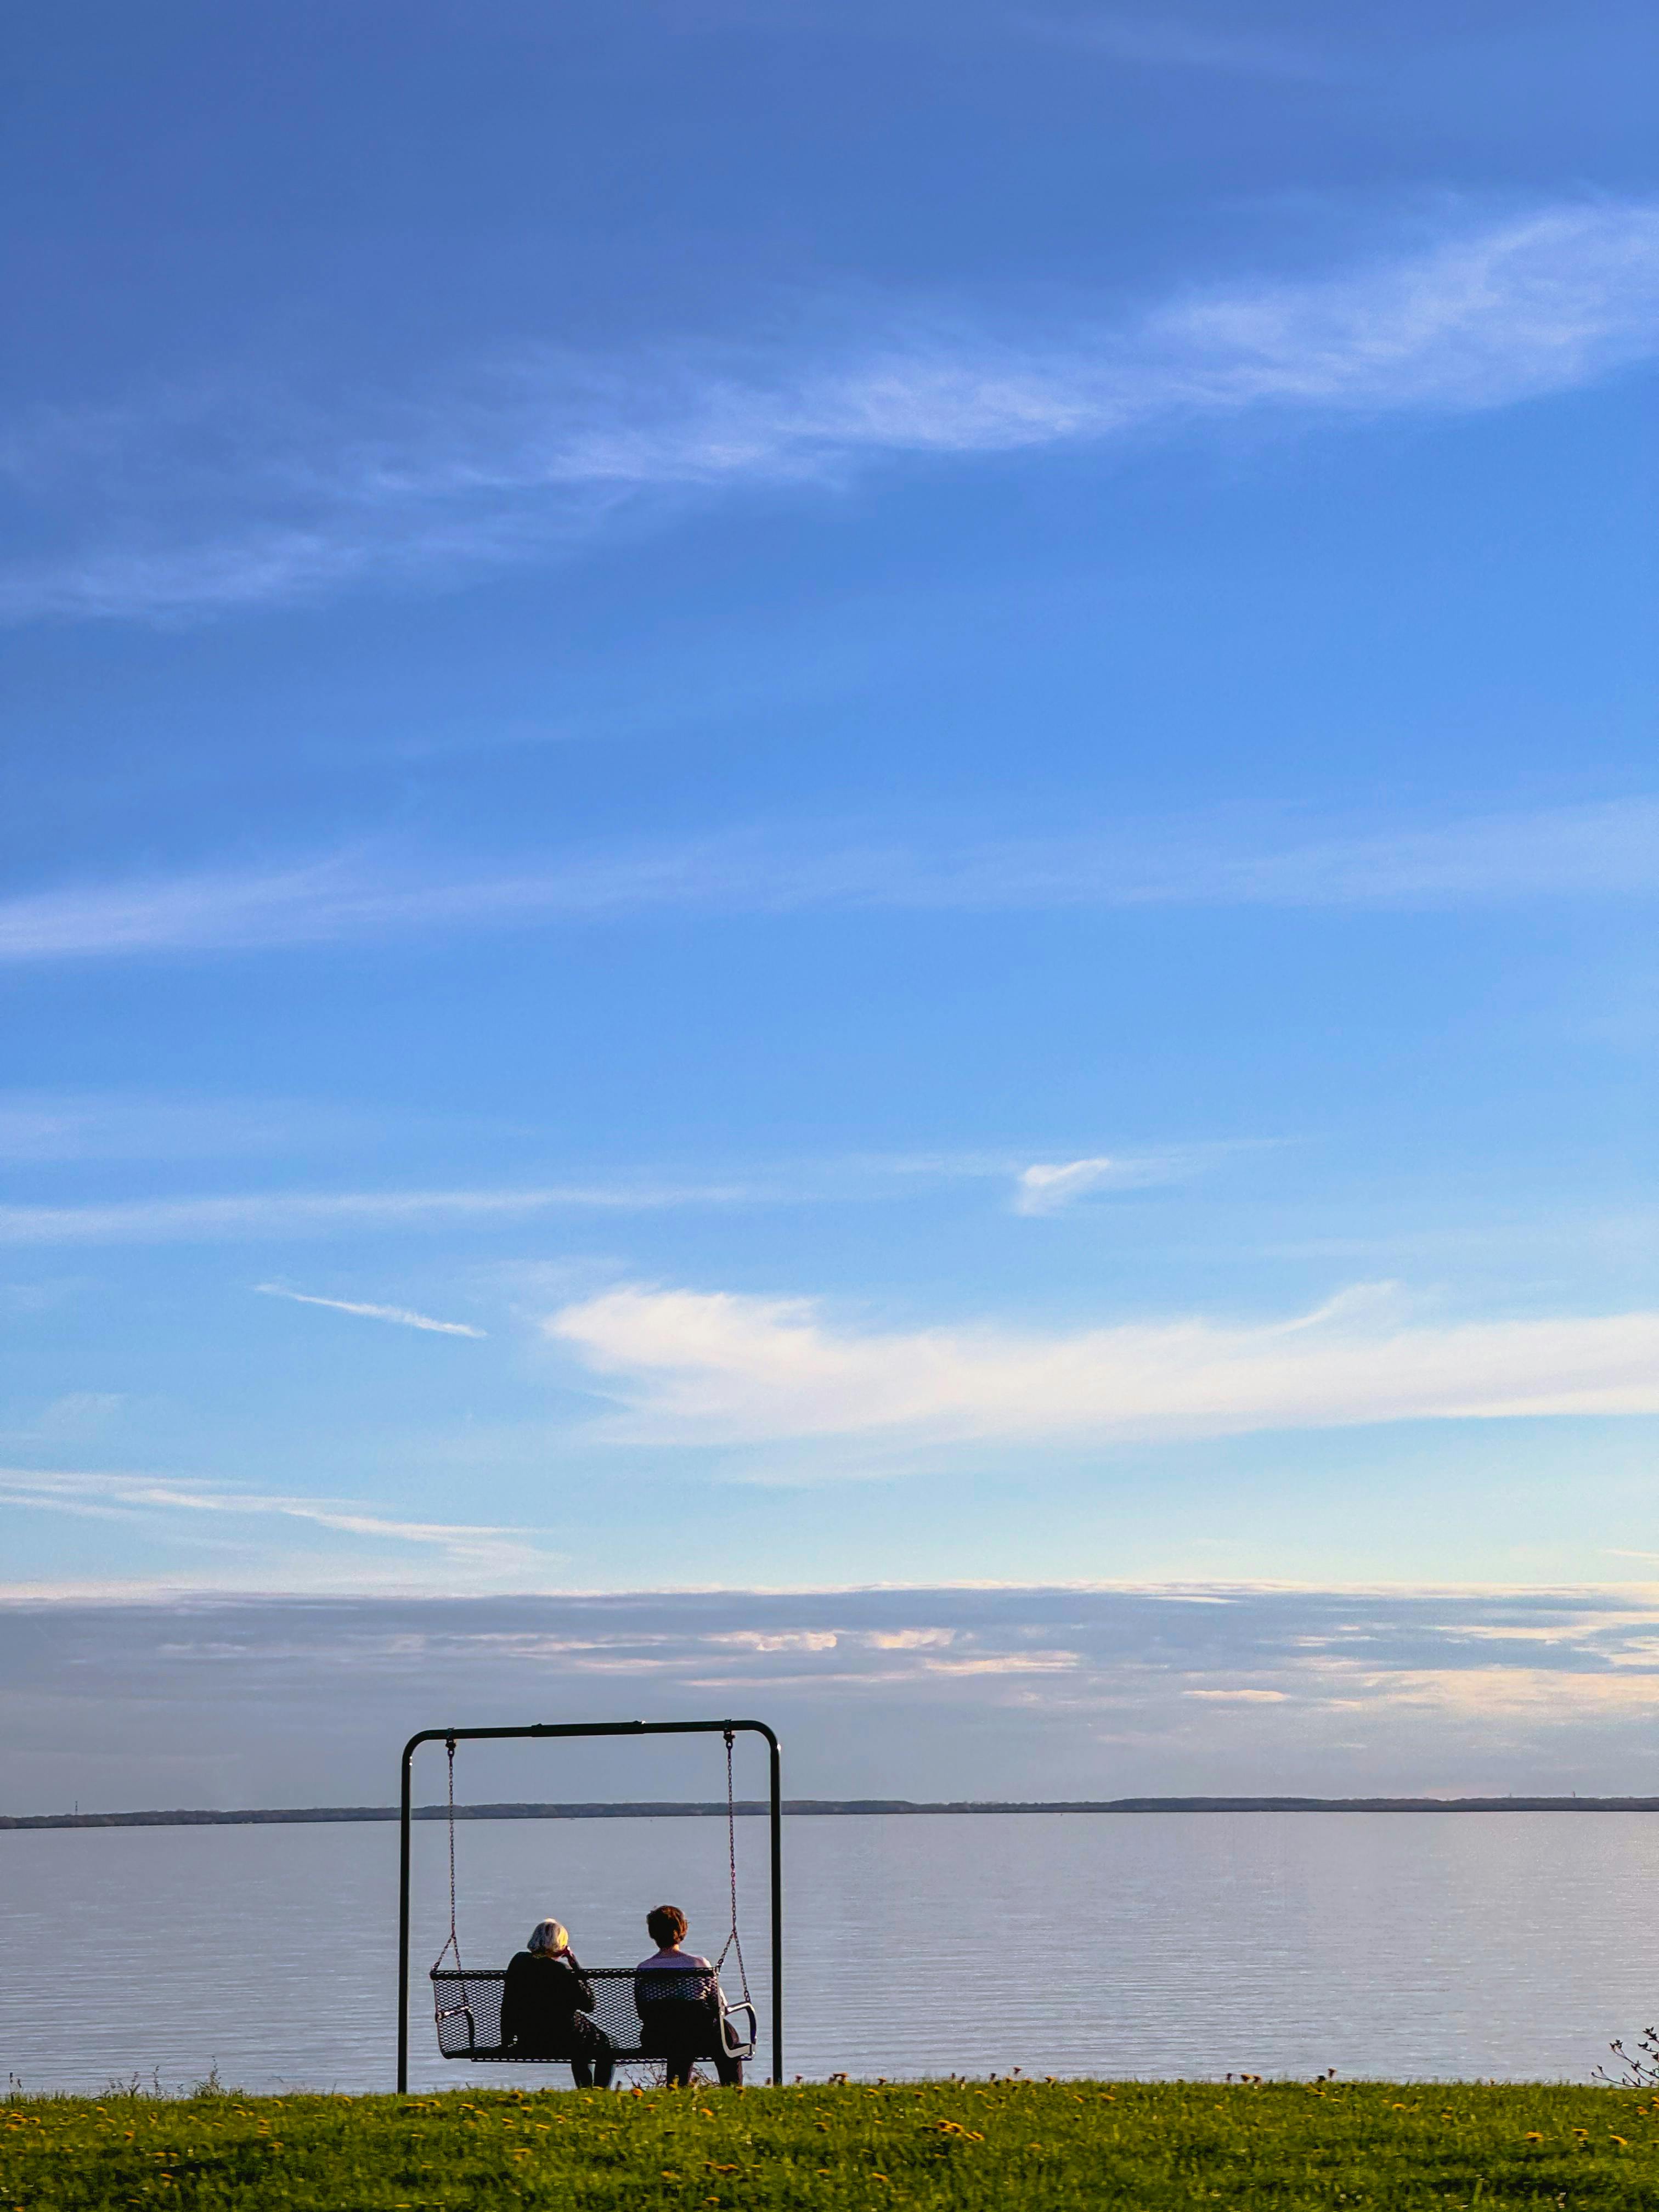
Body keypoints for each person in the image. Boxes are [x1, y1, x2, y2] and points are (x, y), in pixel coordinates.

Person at [633, 1904, 743, 2087]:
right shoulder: (698, 1964)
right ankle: (732, 2089)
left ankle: (678, 2089)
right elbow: (720, 2006)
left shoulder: (644, 1969)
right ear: (682, 1931)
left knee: (678, 2033)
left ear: (653, 1934)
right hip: (700, 2035)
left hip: (659, 2037)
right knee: (725, 2034)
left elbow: (642, 2011)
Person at [499, 1916, 615, 2087]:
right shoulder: (562, 1971)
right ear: (560, 1946)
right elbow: (589, 2005)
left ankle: (586, 2090)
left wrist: (507, 2040)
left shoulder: (518, 1962)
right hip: (562, 2039)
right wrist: (576, 1967)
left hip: (529, 2039)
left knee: (583, 2041)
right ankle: (597, 2092)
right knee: (606, 2043)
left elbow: (508, 2004)